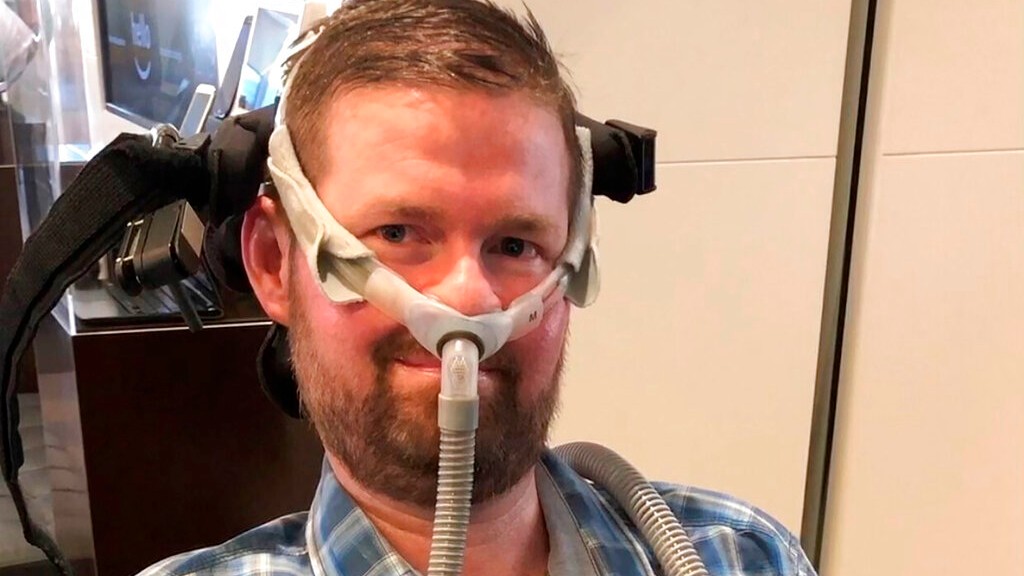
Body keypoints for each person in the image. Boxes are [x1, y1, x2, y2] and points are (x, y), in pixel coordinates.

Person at [141, 1, 816, 575]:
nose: (468, 299)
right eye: (400, 232)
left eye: (516, 245)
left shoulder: (742, 554)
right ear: (271, 263)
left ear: (574, 264)